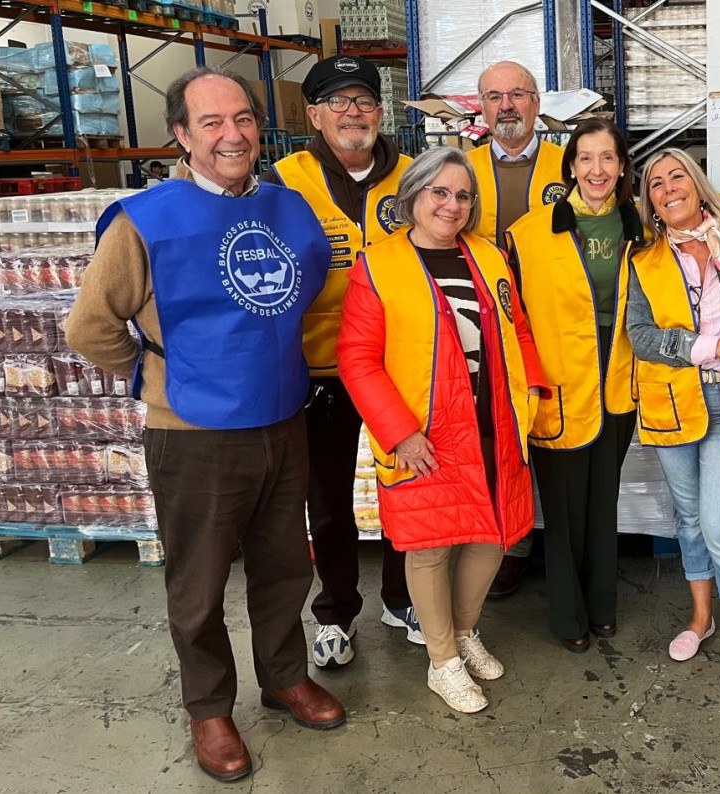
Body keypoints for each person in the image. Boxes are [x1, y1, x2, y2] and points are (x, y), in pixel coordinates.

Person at [65, 67, 342, 783]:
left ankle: (283, 676)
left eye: (243, 119)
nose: (232, 134)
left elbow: (302, 290)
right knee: (199, 580)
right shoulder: (144, 221)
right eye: (211, 123)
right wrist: (153, 374)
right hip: (192, 431)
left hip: (282, 416)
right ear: (182, 136)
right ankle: (210, 707)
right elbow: (91, 325)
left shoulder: (289, 209)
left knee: (284, 565)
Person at [336, 146, 548, 714]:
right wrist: (399, 431)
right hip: (424, 436)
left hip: (494, 423)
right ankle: (441, 662)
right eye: (440, 192)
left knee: (491, 535)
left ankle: (463, 632)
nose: (451, 205)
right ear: (414, 196)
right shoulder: (377, 265)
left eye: (463, 195)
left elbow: (518, 327)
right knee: (430, 547)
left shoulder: (489, 256)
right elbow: (357, 358)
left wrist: (529, 390)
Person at [264, 54, 418, 668]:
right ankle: (336, 612)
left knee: (405, 486)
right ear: (315, 115)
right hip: (318, 372)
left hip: (398, 364)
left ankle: (402, 598)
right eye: (338, 102)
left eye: (364, 102)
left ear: (380, 112)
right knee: (327, 502)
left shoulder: (413, 175)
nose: (353, 113)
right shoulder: (281, 179)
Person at [625, 148, 720, 701]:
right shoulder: (642, 260)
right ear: (650, 202)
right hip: (671, 406)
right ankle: (700, 617)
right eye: (656, 184)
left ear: (696, 182)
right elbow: (640, 336)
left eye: (677, 176)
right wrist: (715, 346)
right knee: (688, 520)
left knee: (719, 523)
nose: (667, 188)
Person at [505, 118, 641, 652]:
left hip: (617, 380)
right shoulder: (531, 233)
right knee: (561, 510)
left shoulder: (641, 228)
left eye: (607, 158)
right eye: (585, 158)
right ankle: (568, 616)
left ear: (622, 166)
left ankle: (602, 606)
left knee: (603, 500)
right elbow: (513, 314)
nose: (597, 169)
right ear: (570, 168)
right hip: (559, 382)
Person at [467, 60, 567, 598]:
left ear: (536, 103)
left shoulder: (568, 164)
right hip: (484, 331)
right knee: (501, 437)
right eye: (495, 96)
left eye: (518, 94)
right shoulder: (459, 168)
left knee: (553, 431)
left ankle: (558, 544)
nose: (507, 105)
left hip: (556, 323)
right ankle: (511, 546)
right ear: (481, 107)